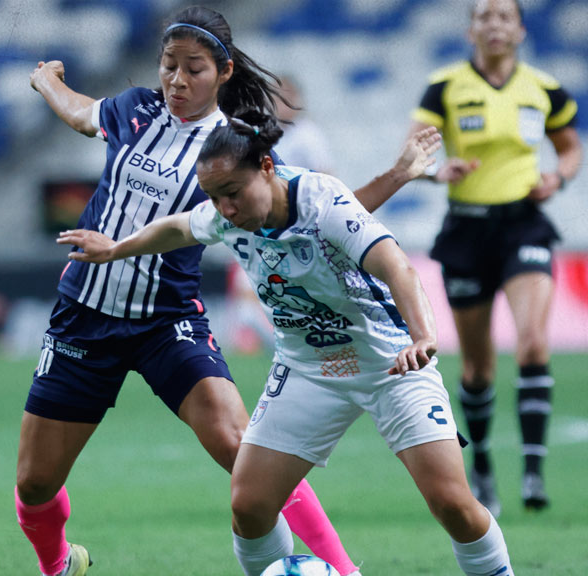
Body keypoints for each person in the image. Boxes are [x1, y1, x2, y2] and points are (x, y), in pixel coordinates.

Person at [18, 6, 437, 576]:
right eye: (170, 66)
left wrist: (398, 172)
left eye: (193, 68)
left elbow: (324, 212)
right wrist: (49, 83)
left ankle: (340, 570)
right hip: (84, 317)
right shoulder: (134, 109)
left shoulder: (234, 149)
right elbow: (82, 116)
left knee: (245, 449)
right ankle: (59, 564)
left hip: (168, 322)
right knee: (36, 482)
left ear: (223, 72)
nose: (177, 80)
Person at [57, 110, 512, 576]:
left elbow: (398, 268)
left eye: (232, 194)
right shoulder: (224, 215)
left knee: (452, 503)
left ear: (268, 169)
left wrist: (423, 336)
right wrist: (116, 248)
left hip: (390, 363)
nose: (225, 209)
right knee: (250, 505)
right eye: (215, 198)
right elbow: (177, 227)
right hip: (308, 370)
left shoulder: (322, 199)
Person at [402, 0, 584, 516]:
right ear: (470, 29)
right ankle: (482, 463)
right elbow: (413, 151)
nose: (495, 24)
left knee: (532, 342)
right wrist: (439, 172)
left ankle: (532, 471)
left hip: (524, 222)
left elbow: (570, 147)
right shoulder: (445, 86)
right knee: (478, 366)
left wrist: (559, 177)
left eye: (505, 16)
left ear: (520, 29)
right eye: (485, 16)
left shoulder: (544, 90)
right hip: (467, 229)